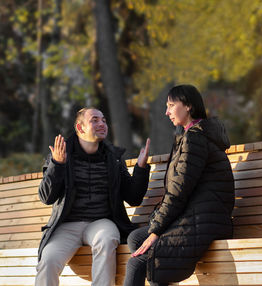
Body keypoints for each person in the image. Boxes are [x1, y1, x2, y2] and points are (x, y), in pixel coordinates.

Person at [123, 85, 235, 286]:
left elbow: (178, 192)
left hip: (205, 219)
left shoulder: (195, 139)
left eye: (171, 105)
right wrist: (156, 225)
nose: (166, 112)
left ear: (189, 106)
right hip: (197, 214)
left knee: (138, 263)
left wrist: (157, 230)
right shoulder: (188, 136)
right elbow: (179, 189)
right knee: (136, 239)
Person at [36, 107, 151, 286]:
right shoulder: (62, 153)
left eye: (104, 120)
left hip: (101, 222)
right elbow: (46, 197)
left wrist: (141, 169)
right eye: (95, 120)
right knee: (49, 258)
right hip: (67, 225)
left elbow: (133, 197)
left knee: (107, 240)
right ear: (80, 128)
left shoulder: (113, 158)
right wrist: (57, 164)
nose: (102, 124)